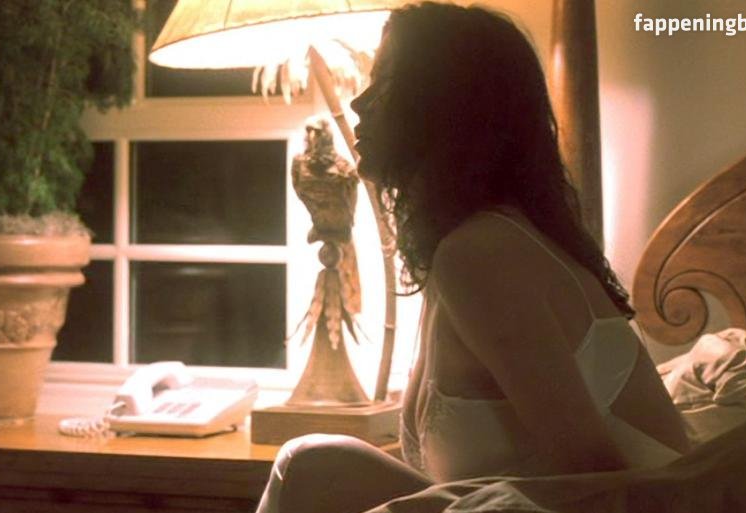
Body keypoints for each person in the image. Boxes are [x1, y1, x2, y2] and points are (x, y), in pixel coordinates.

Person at [255, 3, 690, 512]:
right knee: (313, 464)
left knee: (308, 465)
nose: (360, 103)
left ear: (445, 106)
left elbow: (596, 476)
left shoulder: (482, 253)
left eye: (386, 82)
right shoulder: (464, 245)